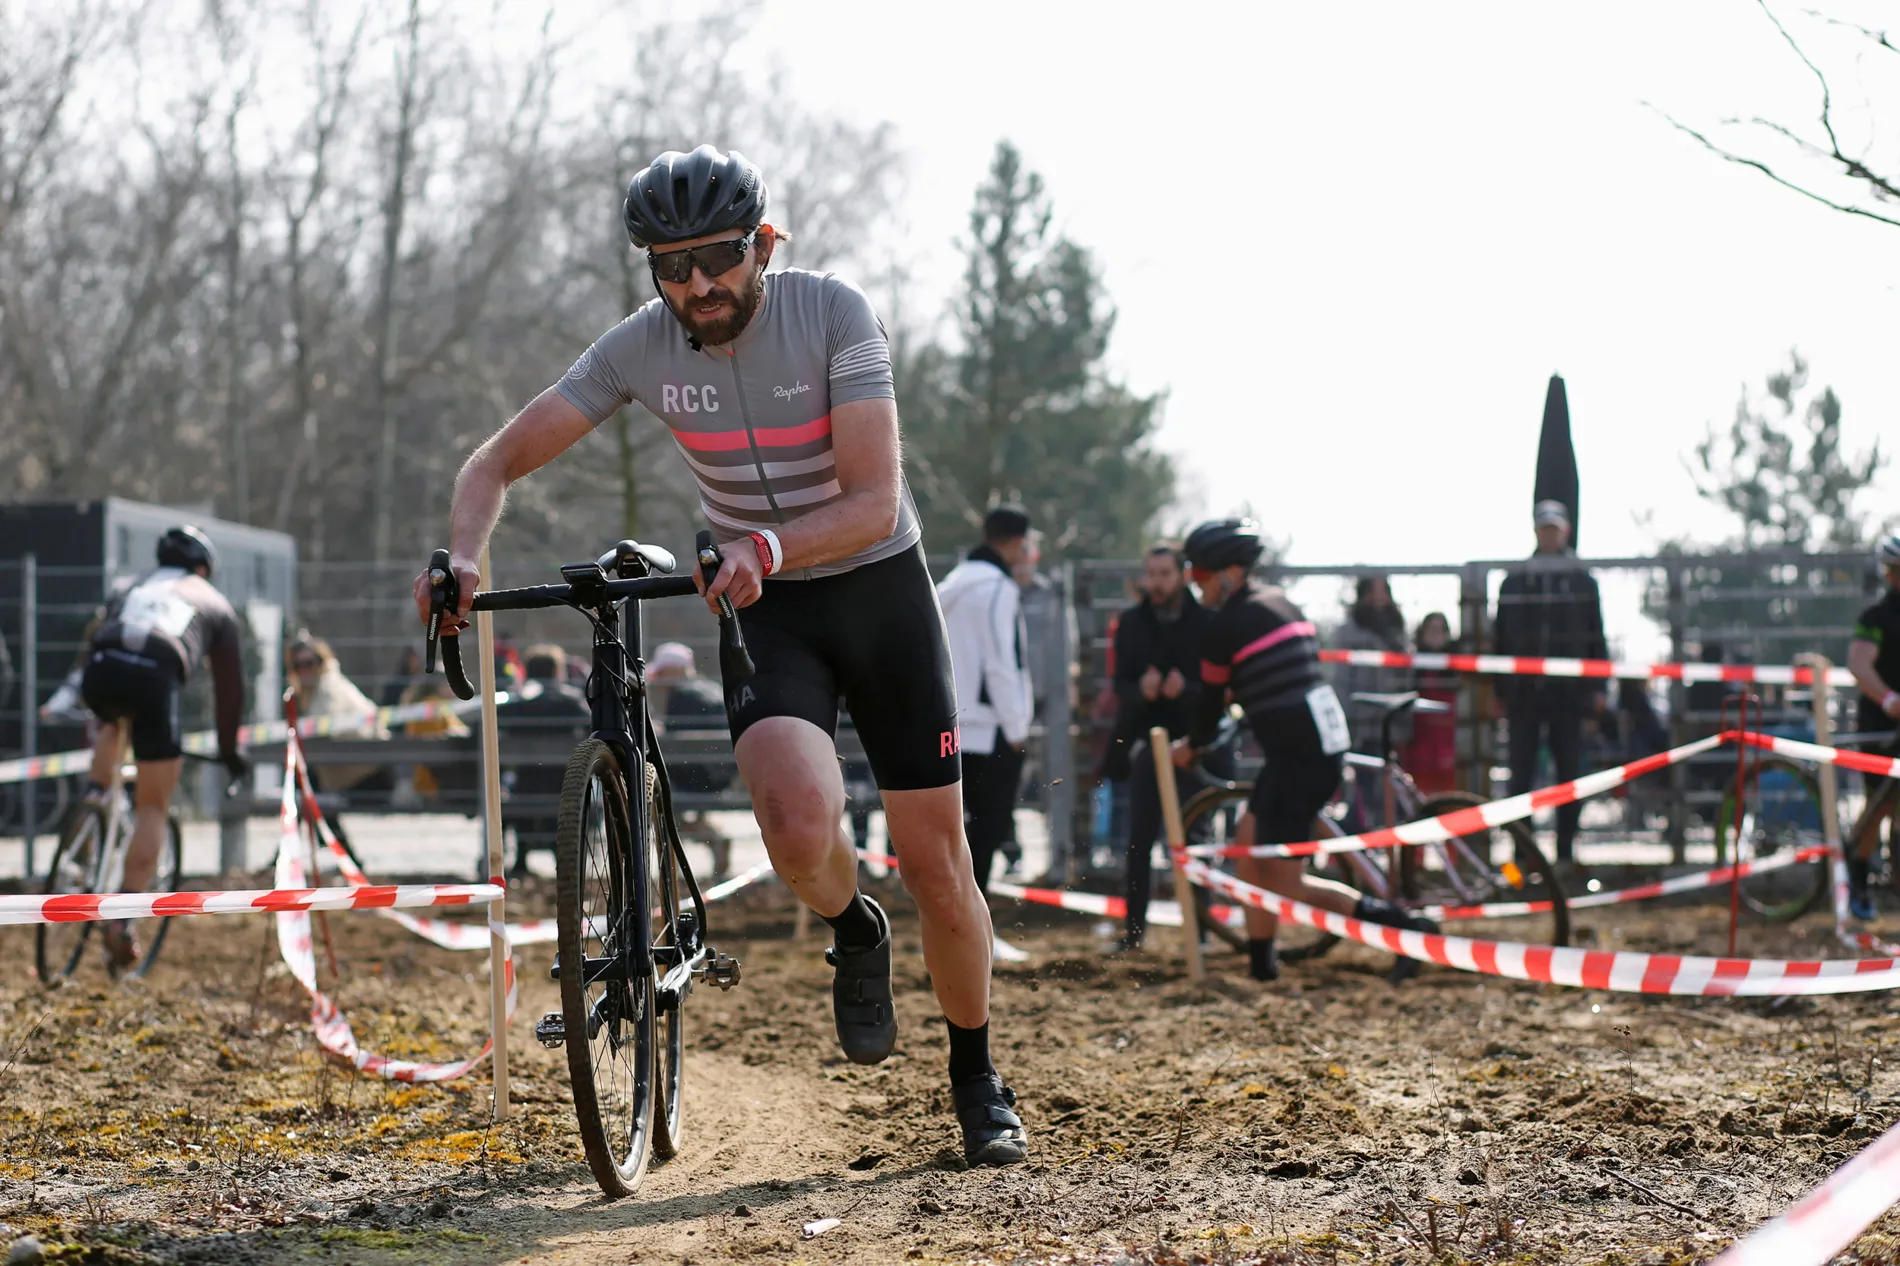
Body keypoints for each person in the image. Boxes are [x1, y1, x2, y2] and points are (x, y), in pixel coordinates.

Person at [413, 145, 1025, 1165]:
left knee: (935, 859)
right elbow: (495, 459)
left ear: (762, 245)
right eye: (671, 264)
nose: (697, 284)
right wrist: (463, 557)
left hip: (876, 590)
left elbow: (874, 499)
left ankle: (975, 1075)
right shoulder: (639, 348)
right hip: (766, 605)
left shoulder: (831, 312)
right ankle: (852, 924)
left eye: (718, 257)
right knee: (793, 826)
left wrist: (768, 544)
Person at [1167, 520, 1437, 985]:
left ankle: (1408, 929)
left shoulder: (1226, 626)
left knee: (1285, 883)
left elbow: (1211, 706)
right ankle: (1261, 964)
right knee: (1249, 858)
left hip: (1298, 759)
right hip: (1309, 750)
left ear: (1230, 573)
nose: (1195, 586)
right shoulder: (1280, 603)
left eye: (1199, 576)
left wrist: (1190, 747)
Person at [79, 526, 247, 972]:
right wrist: (229, 753)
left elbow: (96, 635)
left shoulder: (128, 585)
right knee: (153, 805)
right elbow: (230, 694)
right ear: (204, 568)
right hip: (155, 678)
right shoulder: (213, 601)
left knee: (115, 722)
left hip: (100, 670)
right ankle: (123, 919)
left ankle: (91, 808)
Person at [1110, 543, 1215, 950]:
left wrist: (1184, 690)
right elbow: (1120, 684)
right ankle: (1133, 933)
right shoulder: (1132, 623)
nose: (1156, 583)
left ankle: (1202, 932)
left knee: (1197, 839)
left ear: (1183, 575)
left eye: (1164, 574)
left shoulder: (1206, 622)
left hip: (1194, 744)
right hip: (1146, 746)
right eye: (1150, 574)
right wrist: (1142, 690)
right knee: (1139, 840)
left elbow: (1218, 688)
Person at [1492, 500, 1607, 866]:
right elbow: (1500, 640)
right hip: (1524, 694)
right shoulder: (1515, 581)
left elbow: (1595, 637)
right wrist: (1500, 690)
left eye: (1554, 528)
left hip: (1568, 694)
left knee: (1569, 773)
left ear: (1565, 531)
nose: (1549, 534)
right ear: (1536, 531)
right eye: (1544, 528)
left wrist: (1597, 688)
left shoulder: (1582, 581)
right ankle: (1523, 855)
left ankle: (1565, 852)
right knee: (1520, 775)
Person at [938, 506, 1036, 896]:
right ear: (1016, 542)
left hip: (949, 725)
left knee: (955, 831)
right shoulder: (997, 587)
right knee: (988, 830)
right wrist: (1016, 728)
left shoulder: (951, 582)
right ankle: (975, 926)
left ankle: (956, 920)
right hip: (990, 729)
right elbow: (1000, 660)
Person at [494, 644, 592, 878]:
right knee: (560, 797)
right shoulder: (570, 701)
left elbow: (496, 725)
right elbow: (591, 726)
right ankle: (561, 858)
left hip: (525, 781)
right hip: (563, 781)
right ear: (557, 671)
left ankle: (521, 858)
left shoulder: (517, 701)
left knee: (522, 794)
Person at [648, 640, 738, 880]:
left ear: (672, 671)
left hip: (696, 774)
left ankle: (672, 872)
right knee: (676, 814)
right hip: (720, 773)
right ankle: (711, 840)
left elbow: (674, 741)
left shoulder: (682, 695)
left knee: (662, 803)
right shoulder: (708, 687)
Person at [1846, 531, 1900, 919]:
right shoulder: (1876, 617)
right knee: (1878, 809)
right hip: (1882, 728)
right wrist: (1888, 698)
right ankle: (1858, 884)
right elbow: (1859, 664)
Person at [287, 633, 390, 793]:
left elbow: (325, 726)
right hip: (351, 770)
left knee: (300, 779)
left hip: (367, 773)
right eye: (298, 665)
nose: (304, 670)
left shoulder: (328, 687)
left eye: (309, 663)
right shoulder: (315, 692)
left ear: (320, 662)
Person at [1330, 575, 1413, 757]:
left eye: (1382, 591)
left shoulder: (1398, 629)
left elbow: (1407, 672)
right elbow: (1342, 677)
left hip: (1393, 718)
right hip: (1360, 719)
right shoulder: (1349, 630)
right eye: (1372, 591)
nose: (1378, 597)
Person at [1402, 612, 1460, 795]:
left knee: (1446, 796)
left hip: (1445, 744)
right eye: (1432, 629)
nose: (1436, 635)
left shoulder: (1455, 666)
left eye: (1441, 630)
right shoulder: (1413, 666)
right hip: (1419, 744)